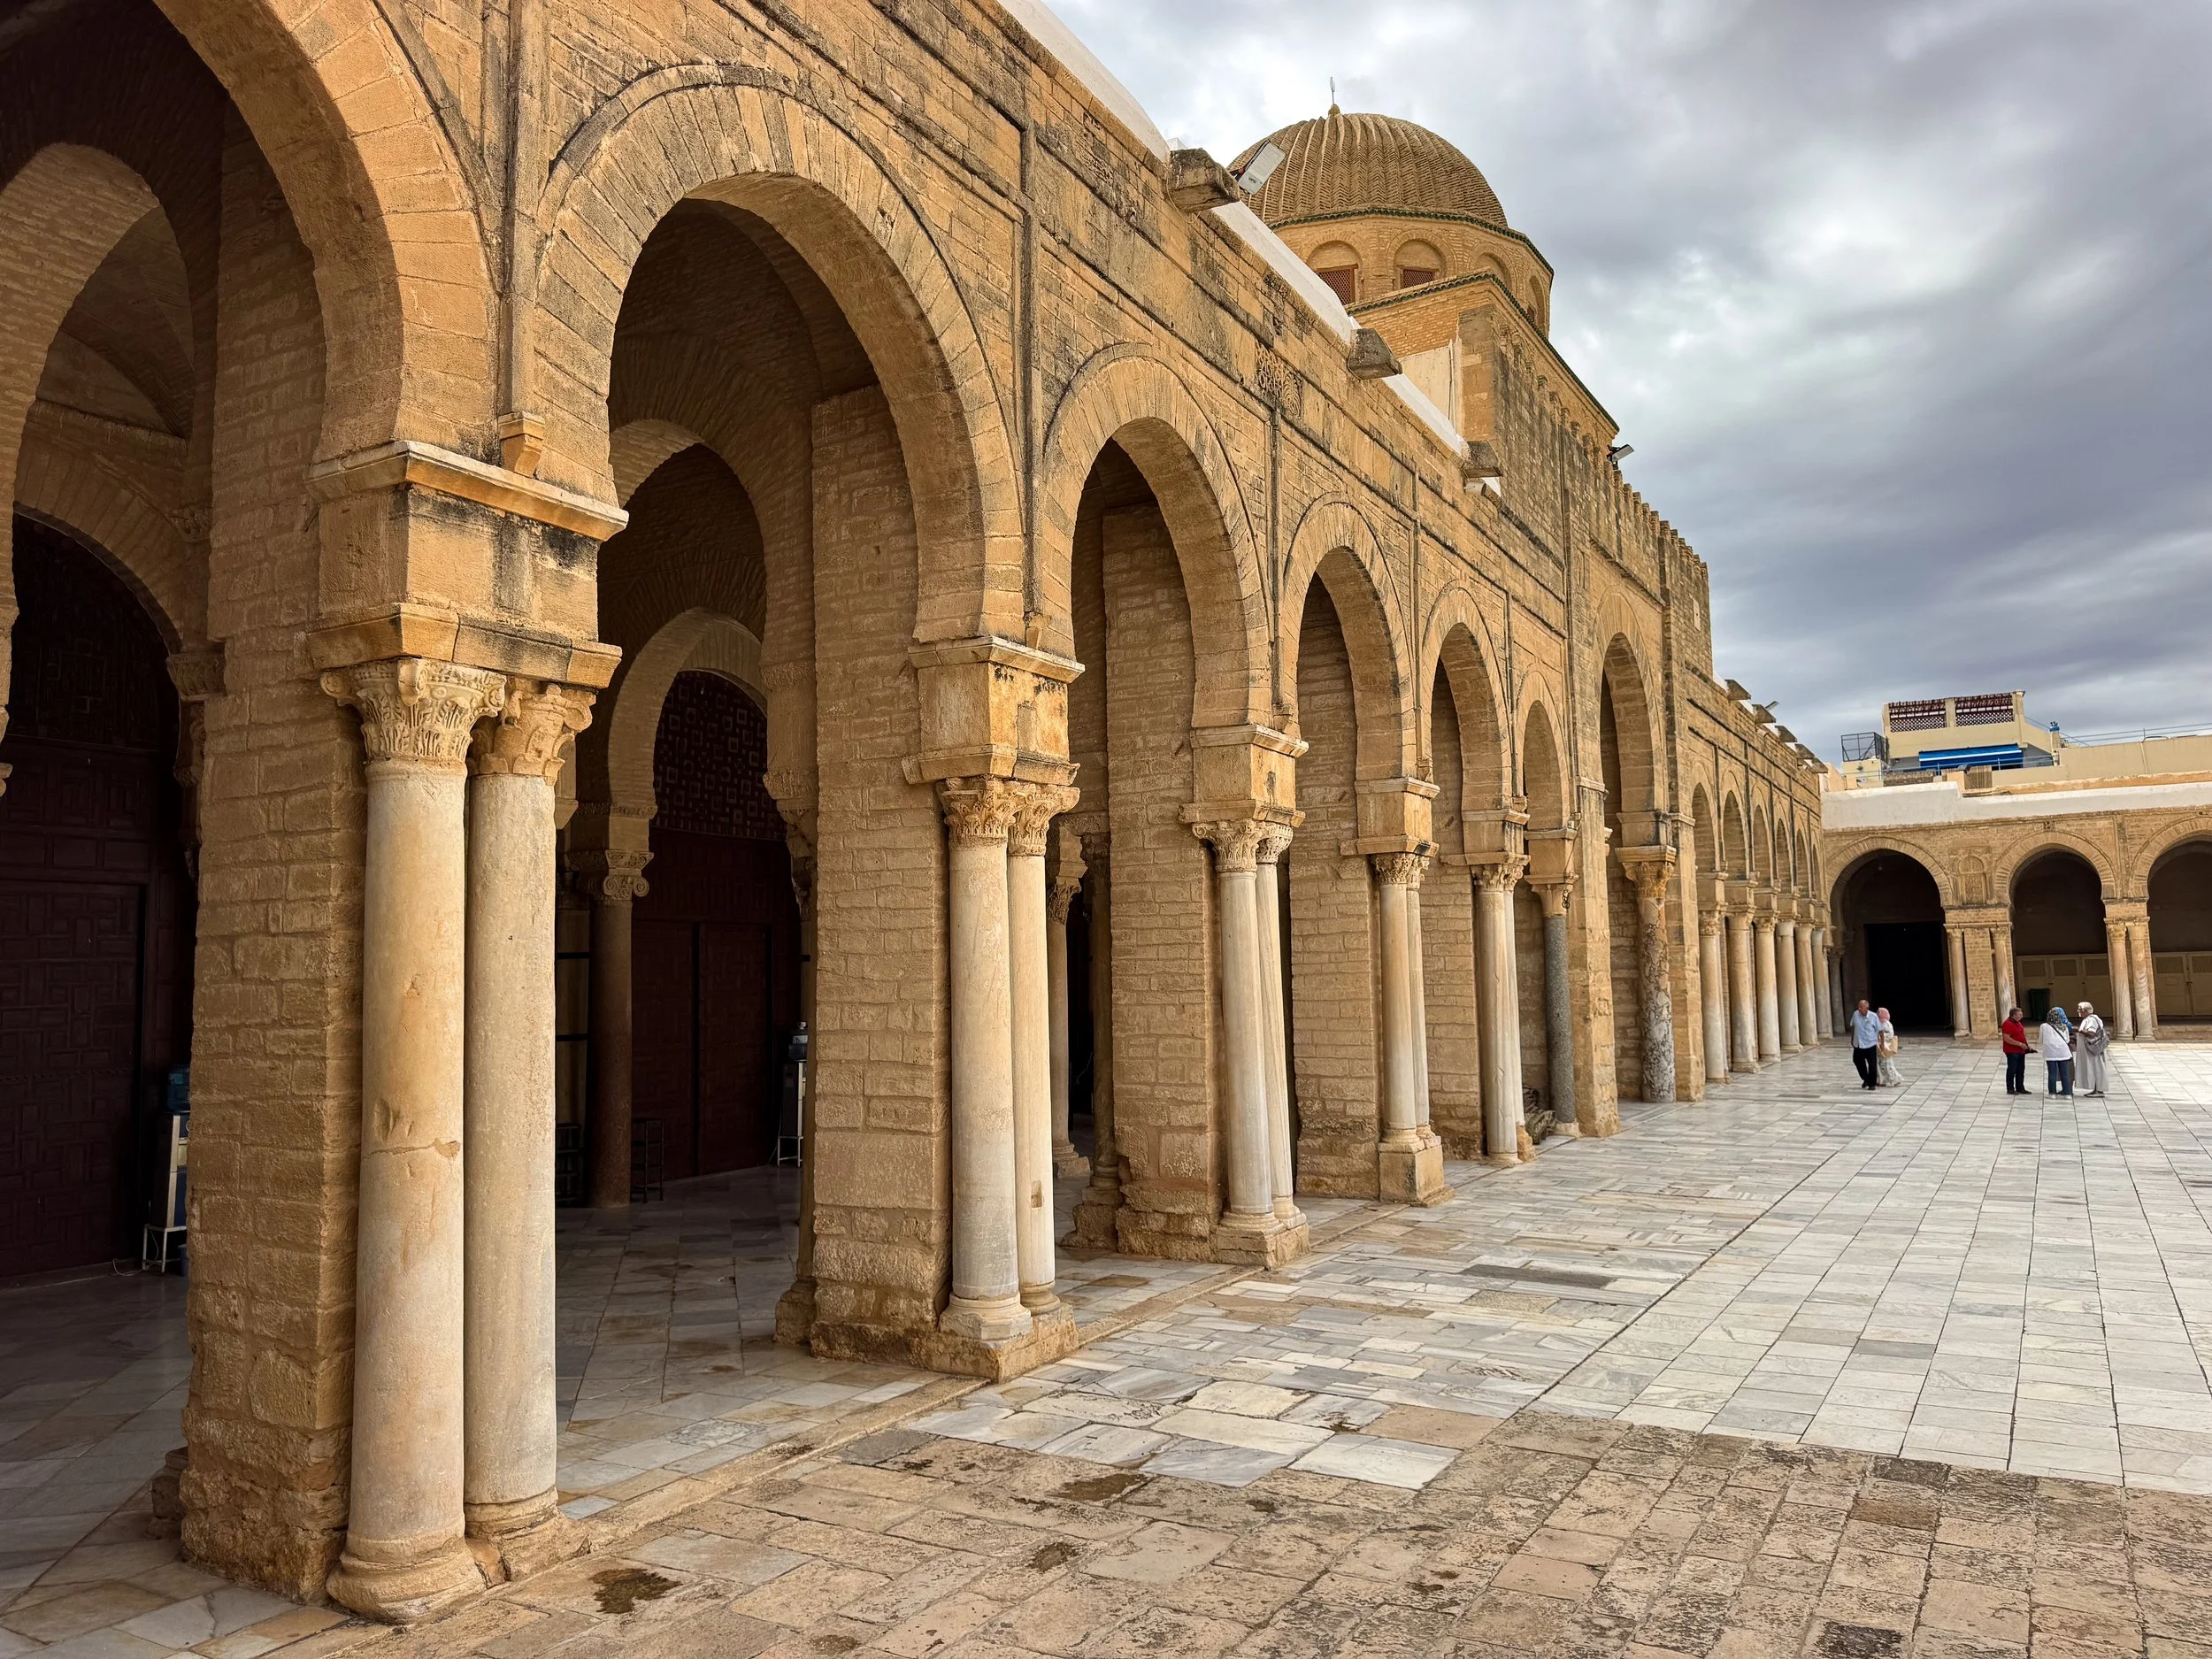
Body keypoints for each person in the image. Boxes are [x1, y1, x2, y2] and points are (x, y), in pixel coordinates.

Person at [2075, 1001, 2108, 1097]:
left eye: (2080, 1009)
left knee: (2096, 1067)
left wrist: (2079, 1030)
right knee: (2094, 1068)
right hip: (2089, 1049)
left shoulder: (2091, 1020)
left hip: (2092, 1049)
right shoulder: (2088, 1019)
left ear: (2085, 1010)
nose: (2078, 1011)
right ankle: (2096, 1089)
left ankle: (2098, 1090)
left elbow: (2091, 1033)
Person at [2039, 1006, 2074, 1096]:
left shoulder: (2044, 1026)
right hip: (2063, 1052)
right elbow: (2067, 1040)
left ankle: (2052, 1093)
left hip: (2050, 1053)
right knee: (2065, 1073)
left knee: (2052, 1073)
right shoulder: (2064, 1027)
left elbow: (2041, 1040)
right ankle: (2067, 1093)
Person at [1848, 999, 1882, 1089]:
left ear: (1866, 1008)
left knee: (1872, 1065)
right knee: (1857, 1061)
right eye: (1858, 1007)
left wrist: (1881, 1043)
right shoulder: (1855, 1014)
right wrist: (1852, 1039)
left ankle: (1872, 1084)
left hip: (1870, 1044)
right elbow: (1853, 1026)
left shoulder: (1873, 1016)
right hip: (1858, 1044)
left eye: (1861, 1007)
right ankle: (1866, 1078)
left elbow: (1880, 1030)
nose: (1859, 1009)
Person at [2001, 1008, 2029, 1095]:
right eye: (2020, 1014)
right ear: (2013, 1015)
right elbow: (2007, 1038)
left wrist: (2026, 1046)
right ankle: (2010, 1088)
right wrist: (2020, 1044)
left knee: (2020, 1069)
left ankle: (2020, 1087)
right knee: (2012, 1069)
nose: (2022, 1016)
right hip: (2012, 1050)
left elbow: (2020, 1035)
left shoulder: (2018, 1023)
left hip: (2020, 1051)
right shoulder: (2007, 1024)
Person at [1876, 1007, 1902, 1086]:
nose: (1877, 1014)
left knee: (1887, 1064)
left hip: (1885, 1046)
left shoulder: (1886, 1023)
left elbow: (1890, 1034)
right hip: (1879, 1045)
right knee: (1880, 1064)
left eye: (1878, 1012)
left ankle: (1895, 1079)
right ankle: (1882, 1080)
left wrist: (1880, 1036)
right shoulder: (1879, 1023)